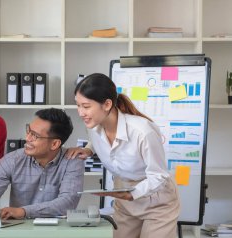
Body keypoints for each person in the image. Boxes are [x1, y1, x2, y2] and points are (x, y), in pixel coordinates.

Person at [67, 73, 180, 238]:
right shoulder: (93, 126)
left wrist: (132, 193)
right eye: (78, 106)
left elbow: (159, 175)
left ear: (106, 104)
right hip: (124, 197)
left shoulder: (143, 132)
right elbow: (96, 140)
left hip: (157, 200)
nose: (81, 112)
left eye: (86, 106)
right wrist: (89, 150)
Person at [0, 108, 84, 220]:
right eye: (28, 131)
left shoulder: (72, 161)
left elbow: (67, 203)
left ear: (55, 144)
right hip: (20, 230)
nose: (27, 138)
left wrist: (23, 212)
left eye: (35, 135)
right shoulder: (11, 160)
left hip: (58, 231)